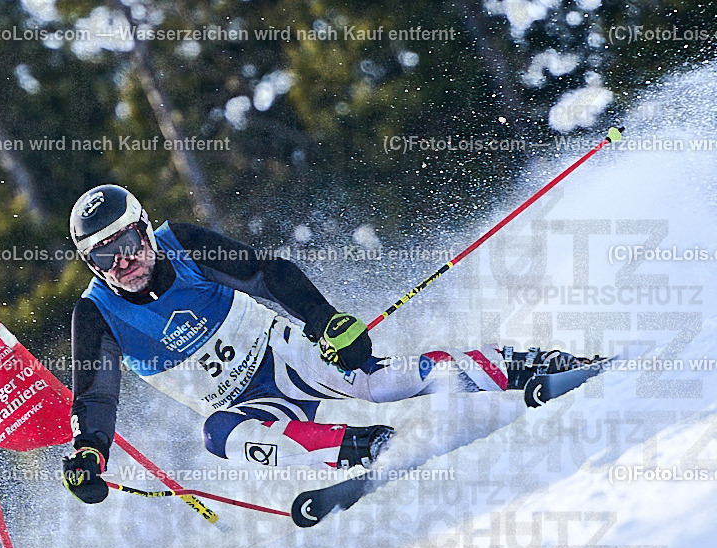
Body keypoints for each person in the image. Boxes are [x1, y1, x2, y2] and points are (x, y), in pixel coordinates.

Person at [62, 185, 585, 503]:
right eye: (101, 258)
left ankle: (522, 364)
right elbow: (96, 395)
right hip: (241, 403)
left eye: (126, 245)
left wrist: (326, 323)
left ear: (145, 231)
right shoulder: (96, 312)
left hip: (282, 354)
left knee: (378, 382)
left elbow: (268, 273)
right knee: (217, 436)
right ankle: (372, 448)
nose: (121, 264)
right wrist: (90, 452)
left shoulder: (182, 244)